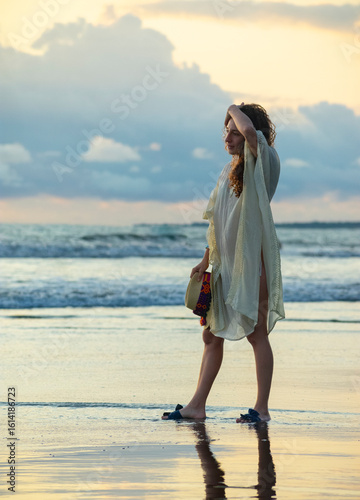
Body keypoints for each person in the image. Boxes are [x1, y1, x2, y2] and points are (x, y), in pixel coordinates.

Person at [162, 103, 285, 423]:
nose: (228, 137)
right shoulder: (229, 170)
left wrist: (232, 107)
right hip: (224, 267)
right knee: (210, 335)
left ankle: (262, 409)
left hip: (252, 266)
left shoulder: (264, 160)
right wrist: (205, 260)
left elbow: (249, 131)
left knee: (257, 334)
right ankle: (196, 406)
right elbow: (219, 223)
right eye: (225, 132)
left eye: (233, 132)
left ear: (251, 134)